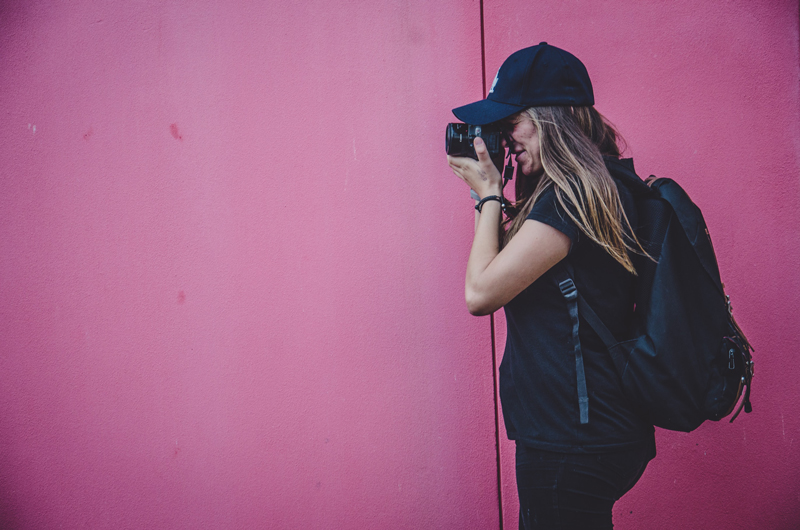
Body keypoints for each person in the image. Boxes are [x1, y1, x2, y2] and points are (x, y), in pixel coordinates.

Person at [447, 43, 655, 530]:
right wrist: (498, 197)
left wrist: (489, 196)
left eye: (511, 122)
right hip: (589, 429)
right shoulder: (596, 185)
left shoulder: (571, 198)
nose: (504, 137)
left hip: (572, 440)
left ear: (551, 119)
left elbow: (481, 293)